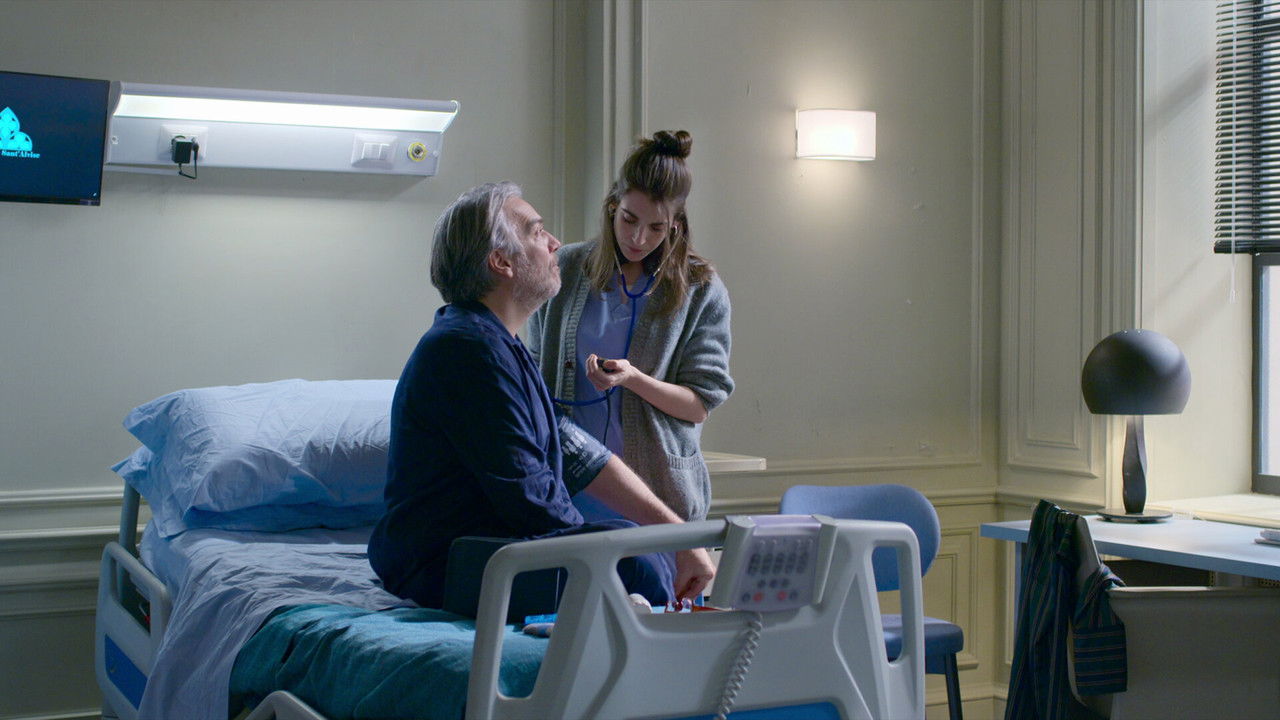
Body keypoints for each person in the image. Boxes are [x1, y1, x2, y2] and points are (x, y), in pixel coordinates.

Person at [367, 181, 715, 612]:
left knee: (640, 553)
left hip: (490, 551)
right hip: (448, 563)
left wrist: (677, 535)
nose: (555, 243)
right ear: (501, 261)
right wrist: (604, 552)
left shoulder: (498, 344)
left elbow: (577, 452)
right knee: (634, 563)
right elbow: (531, 499)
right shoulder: (466, 350)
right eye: (536, 232)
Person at [529, 130, 732, 523]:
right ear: (612, 207)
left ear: (676, 225)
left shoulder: (701, 289)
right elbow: (536, 376)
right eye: (629, 219)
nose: (638, 238)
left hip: (657, 489)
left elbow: (698, 406)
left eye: (656, 228)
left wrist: (633, 379)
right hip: (569, 486)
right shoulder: (565, 269)